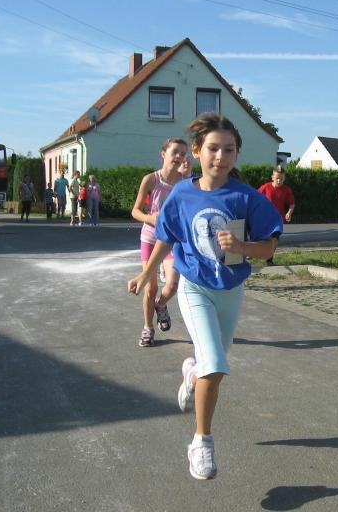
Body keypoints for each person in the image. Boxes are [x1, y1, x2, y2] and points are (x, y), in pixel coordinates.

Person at [127, 114, 282, 481]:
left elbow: (269, 247)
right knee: (215, 365)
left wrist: (242, 246)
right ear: (196, 151)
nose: (221, 157)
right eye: (213, 148)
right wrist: (146, 273)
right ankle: (201, 442)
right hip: (194, 287)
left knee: (212, 367)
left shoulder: (245, 197)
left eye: (229, 150)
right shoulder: (183, 194)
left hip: (231, 289)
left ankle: (191, 371)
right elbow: (167, 237)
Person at [131, 138, 188, 347]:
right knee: (150, 287)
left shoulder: (185, 182)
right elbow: (135, 211)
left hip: (171, 239)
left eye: (183, 153)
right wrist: (150, 218)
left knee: (172, 284)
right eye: (175, 152)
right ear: (163, 154)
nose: (179, 156)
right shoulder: (151, 179)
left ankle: (161, 304)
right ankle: (148, 328)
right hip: (150, 237)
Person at [258, 165, 295, 265]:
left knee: (274, 239)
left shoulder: (286, 190)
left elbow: (292, 204)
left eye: (281, 179)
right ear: (272, 177)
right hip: (265, 218)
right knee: (265, 238)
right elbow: (256, 198)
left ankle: (269, 259)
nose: (279, 181)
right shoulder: (265, 187)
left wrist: (289, 213)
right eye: (277, 178)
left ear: (284, 178)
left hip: (278, 219)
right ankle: (257, 253)